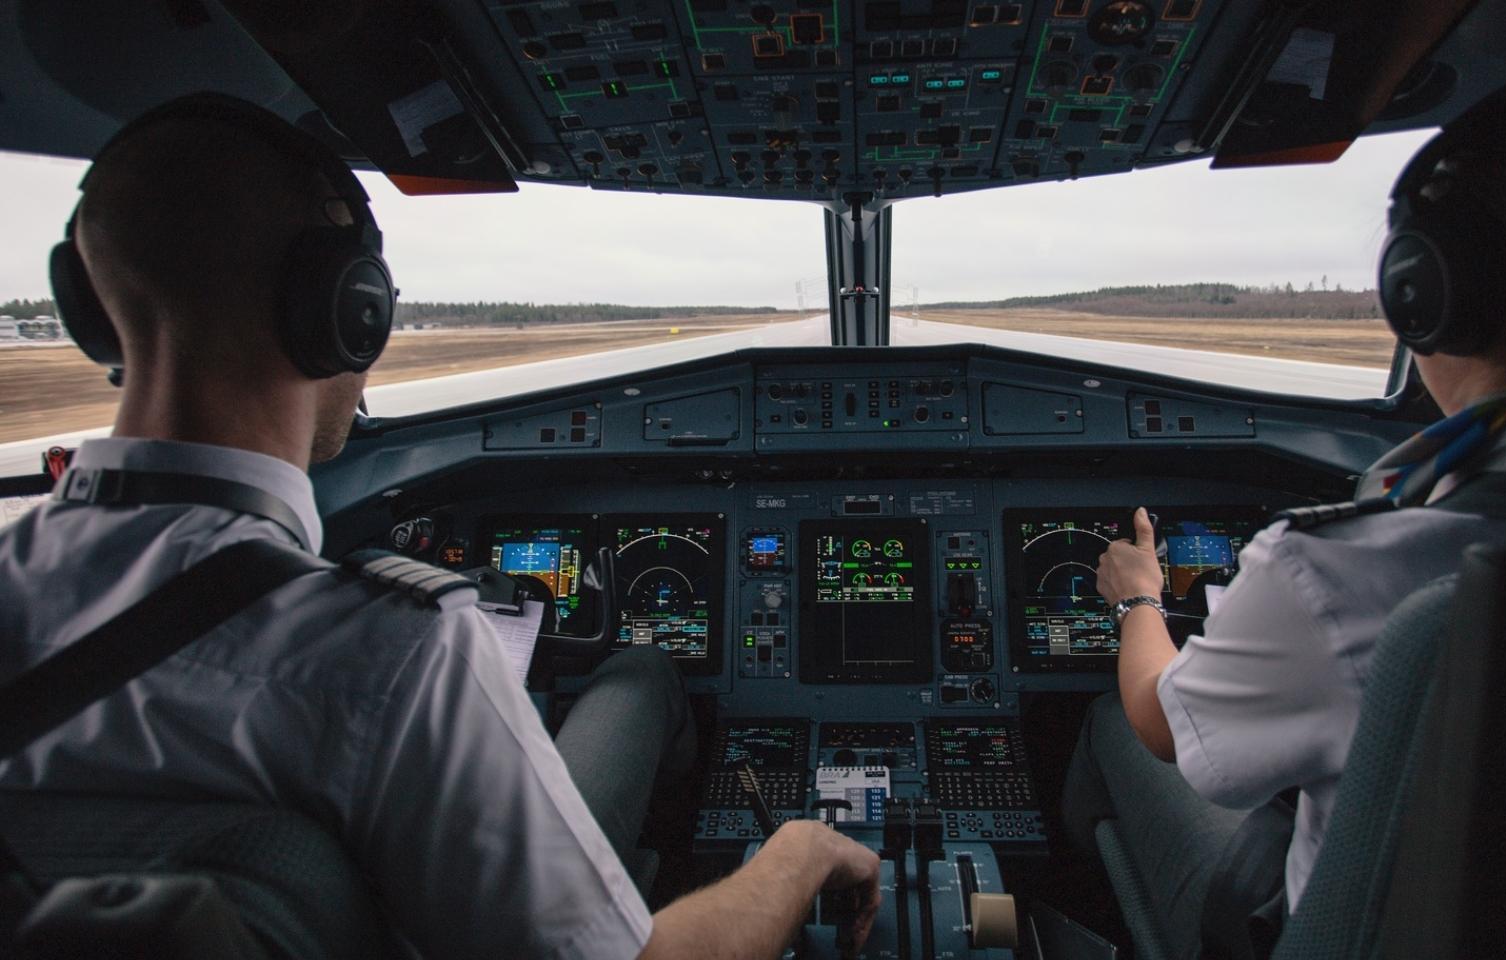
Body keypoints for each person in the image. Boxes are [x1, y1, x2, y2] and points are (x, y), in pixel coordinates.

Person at [0, 94, 878, 959]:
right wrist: (799, 852)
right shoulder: (390, 653)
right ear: (349, 309)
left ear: (89, 307)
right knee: (642, 670)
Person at [1063, 72, 1506, 955]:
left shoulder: (1343, 573)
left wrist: (1138, 597)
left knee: (1110, 722)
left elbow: (1163, 724)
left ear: (1428, 289)